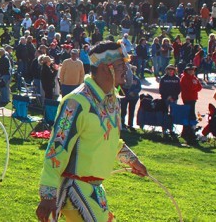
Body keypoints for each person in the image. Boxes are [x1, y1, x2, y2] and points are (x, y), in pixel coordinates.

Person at [36, 41, 148, 222]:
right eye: (121, 65)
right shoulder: (76, 102)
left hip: (94, 189)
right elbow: (57, 147)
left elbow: (110, 140)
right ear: (105, 68)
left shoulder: (113, 101)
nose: (126, 69)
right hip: (75, 188)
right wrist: (48, 195)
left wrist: (133, 161)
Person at [180, 64, 202, 145]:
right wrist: (195, 86)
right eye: (189, 70)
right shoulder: (184, 78)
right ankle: (188, 132)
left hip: (193, 98)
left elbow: (199, 87)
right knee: (190, 115)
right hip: (187, 98)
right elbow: (190, 88)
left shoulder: (194, 78)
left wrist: (195, 86)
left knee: (191, 115)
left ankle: (188, 131)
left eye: (192, 70)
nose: (191, 71)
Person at [120, 65, 142, 132]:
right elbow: (119, 87)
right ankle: (122, 123)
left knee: (131, 111)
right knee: (123, 110)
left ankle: (130, 124)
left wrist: (134, 92)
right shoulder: (123, 78)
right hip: (124, 97)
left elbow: (139, 88)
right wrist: (121, 93)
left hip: (133, 97)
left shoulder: (136, 79)